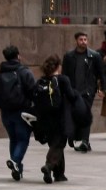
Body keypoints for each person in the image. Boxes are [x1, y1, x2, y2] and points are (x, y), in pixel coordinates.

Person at [0, 45, 37, 181]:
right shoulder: (24, 72)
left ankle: (17, 169)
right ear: (18, 56)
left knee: (14, 139)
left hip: (6, 112)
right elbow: (33, 90)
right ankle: (15, 161)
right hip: (22, 111)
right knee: (23, 139)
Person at [32, 55, 78, 183]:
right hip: (60, 117)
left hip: (44, 118)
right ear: (58, 67)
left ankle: (59, 174)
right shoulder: (63, 80)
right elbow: (71, 95)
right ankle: (49, 165)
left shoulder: (41, 81)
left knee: (55, 144)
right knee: (58, 145)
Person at [62, 31, 106, 153]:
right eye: (81, 39)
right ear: (76, 41)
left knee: (85, 114)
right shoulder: (69, 56)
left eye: (85, 39)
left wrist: (103, 88)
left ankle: (85, 141)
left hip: (87, 91)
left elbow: (101, 74)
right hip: (73, 91)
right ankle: (76, 138)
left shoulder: (94, 56)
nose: (83, 42)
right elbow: (64, 74)